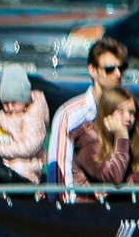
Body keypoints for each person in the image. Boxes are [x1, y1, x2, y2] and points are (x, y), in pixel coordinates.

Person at [49, 39, 130, 181]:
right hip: (82, 201)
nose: (117, 74)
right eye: (109, 69)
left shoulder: (128, 111)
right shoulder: (70, 114)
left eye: (122, 68)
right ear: (92, 70)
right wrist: (69, 203)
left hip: (121, 201)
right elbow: (60, 175)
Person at [71, 88, 139, 186]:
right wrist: (121, 137)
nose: (128, 117)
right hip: (91, 201)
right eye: (121, 111)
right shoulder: (88, 140)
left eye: (131, 112)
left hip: (129, 201)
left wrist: (130, 182)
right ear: (107, 113)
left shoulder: (137, 138)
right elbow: (113, 177)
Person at [0, 66, 49, 181]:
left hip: (27, 170)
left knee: (19, 170)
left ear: (25, 100)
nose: (10, 108)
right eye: (6, 103)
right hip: (6, 169)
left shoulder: (33, 117)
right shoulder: (2, 118)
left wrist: (0, 149)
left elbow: (29, 147)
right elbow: (3, 138)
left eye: (14, 102)